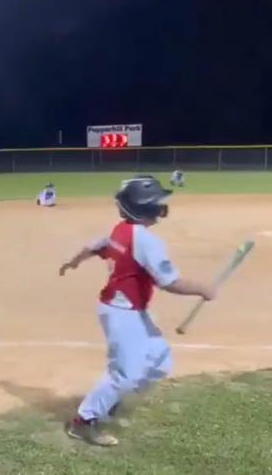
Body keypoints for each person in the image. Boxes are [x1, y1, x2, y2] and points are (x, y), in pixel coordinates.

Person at [58, 175, 215, 446]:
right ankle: (84, 422)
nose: (162, 207)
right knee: (125, 373)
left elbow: (96, 246)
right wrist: (203, 288)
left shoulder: (122, 230)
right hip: (123, 312)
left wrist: (74, 262)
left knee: (160, 361)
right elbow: (169, 282)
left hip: (128, 310)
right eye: (157, 203)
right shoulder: (145, 241)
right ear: (147, 208)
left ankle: (112, 400)